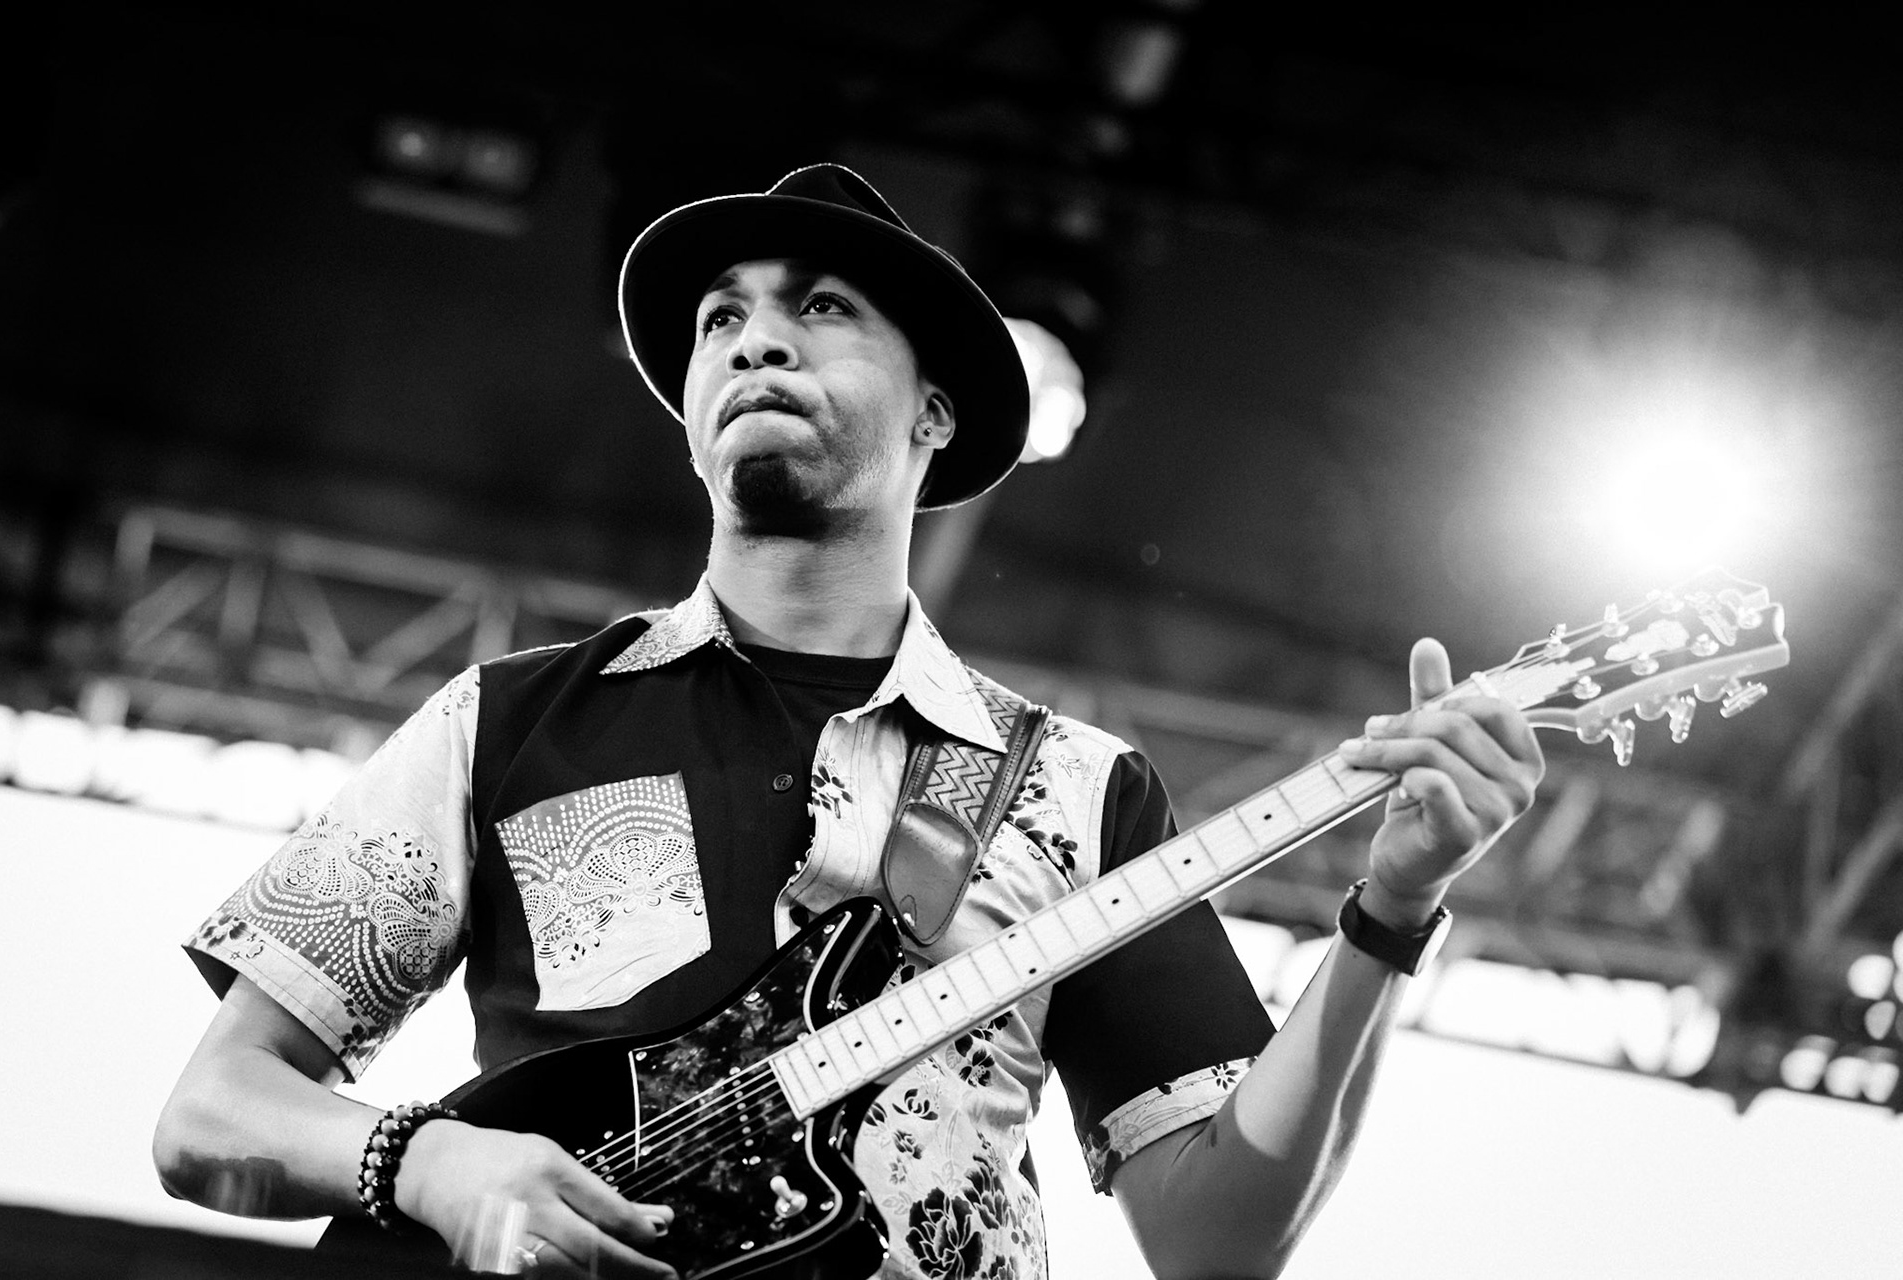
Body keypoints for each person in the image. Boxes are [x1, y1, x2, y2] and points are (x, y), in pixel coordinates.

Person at [154, 164, 1544, 1280]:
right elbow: (211, 1117)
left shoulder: (1078, 791)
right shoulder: (505, 723)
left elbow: (1216, 1244)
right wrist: (432, 1164)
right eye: (721, 319)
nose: (756, 334)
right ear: (694, 416)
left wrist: (1387, 915)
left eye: (821, 307)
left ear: (936, 409)